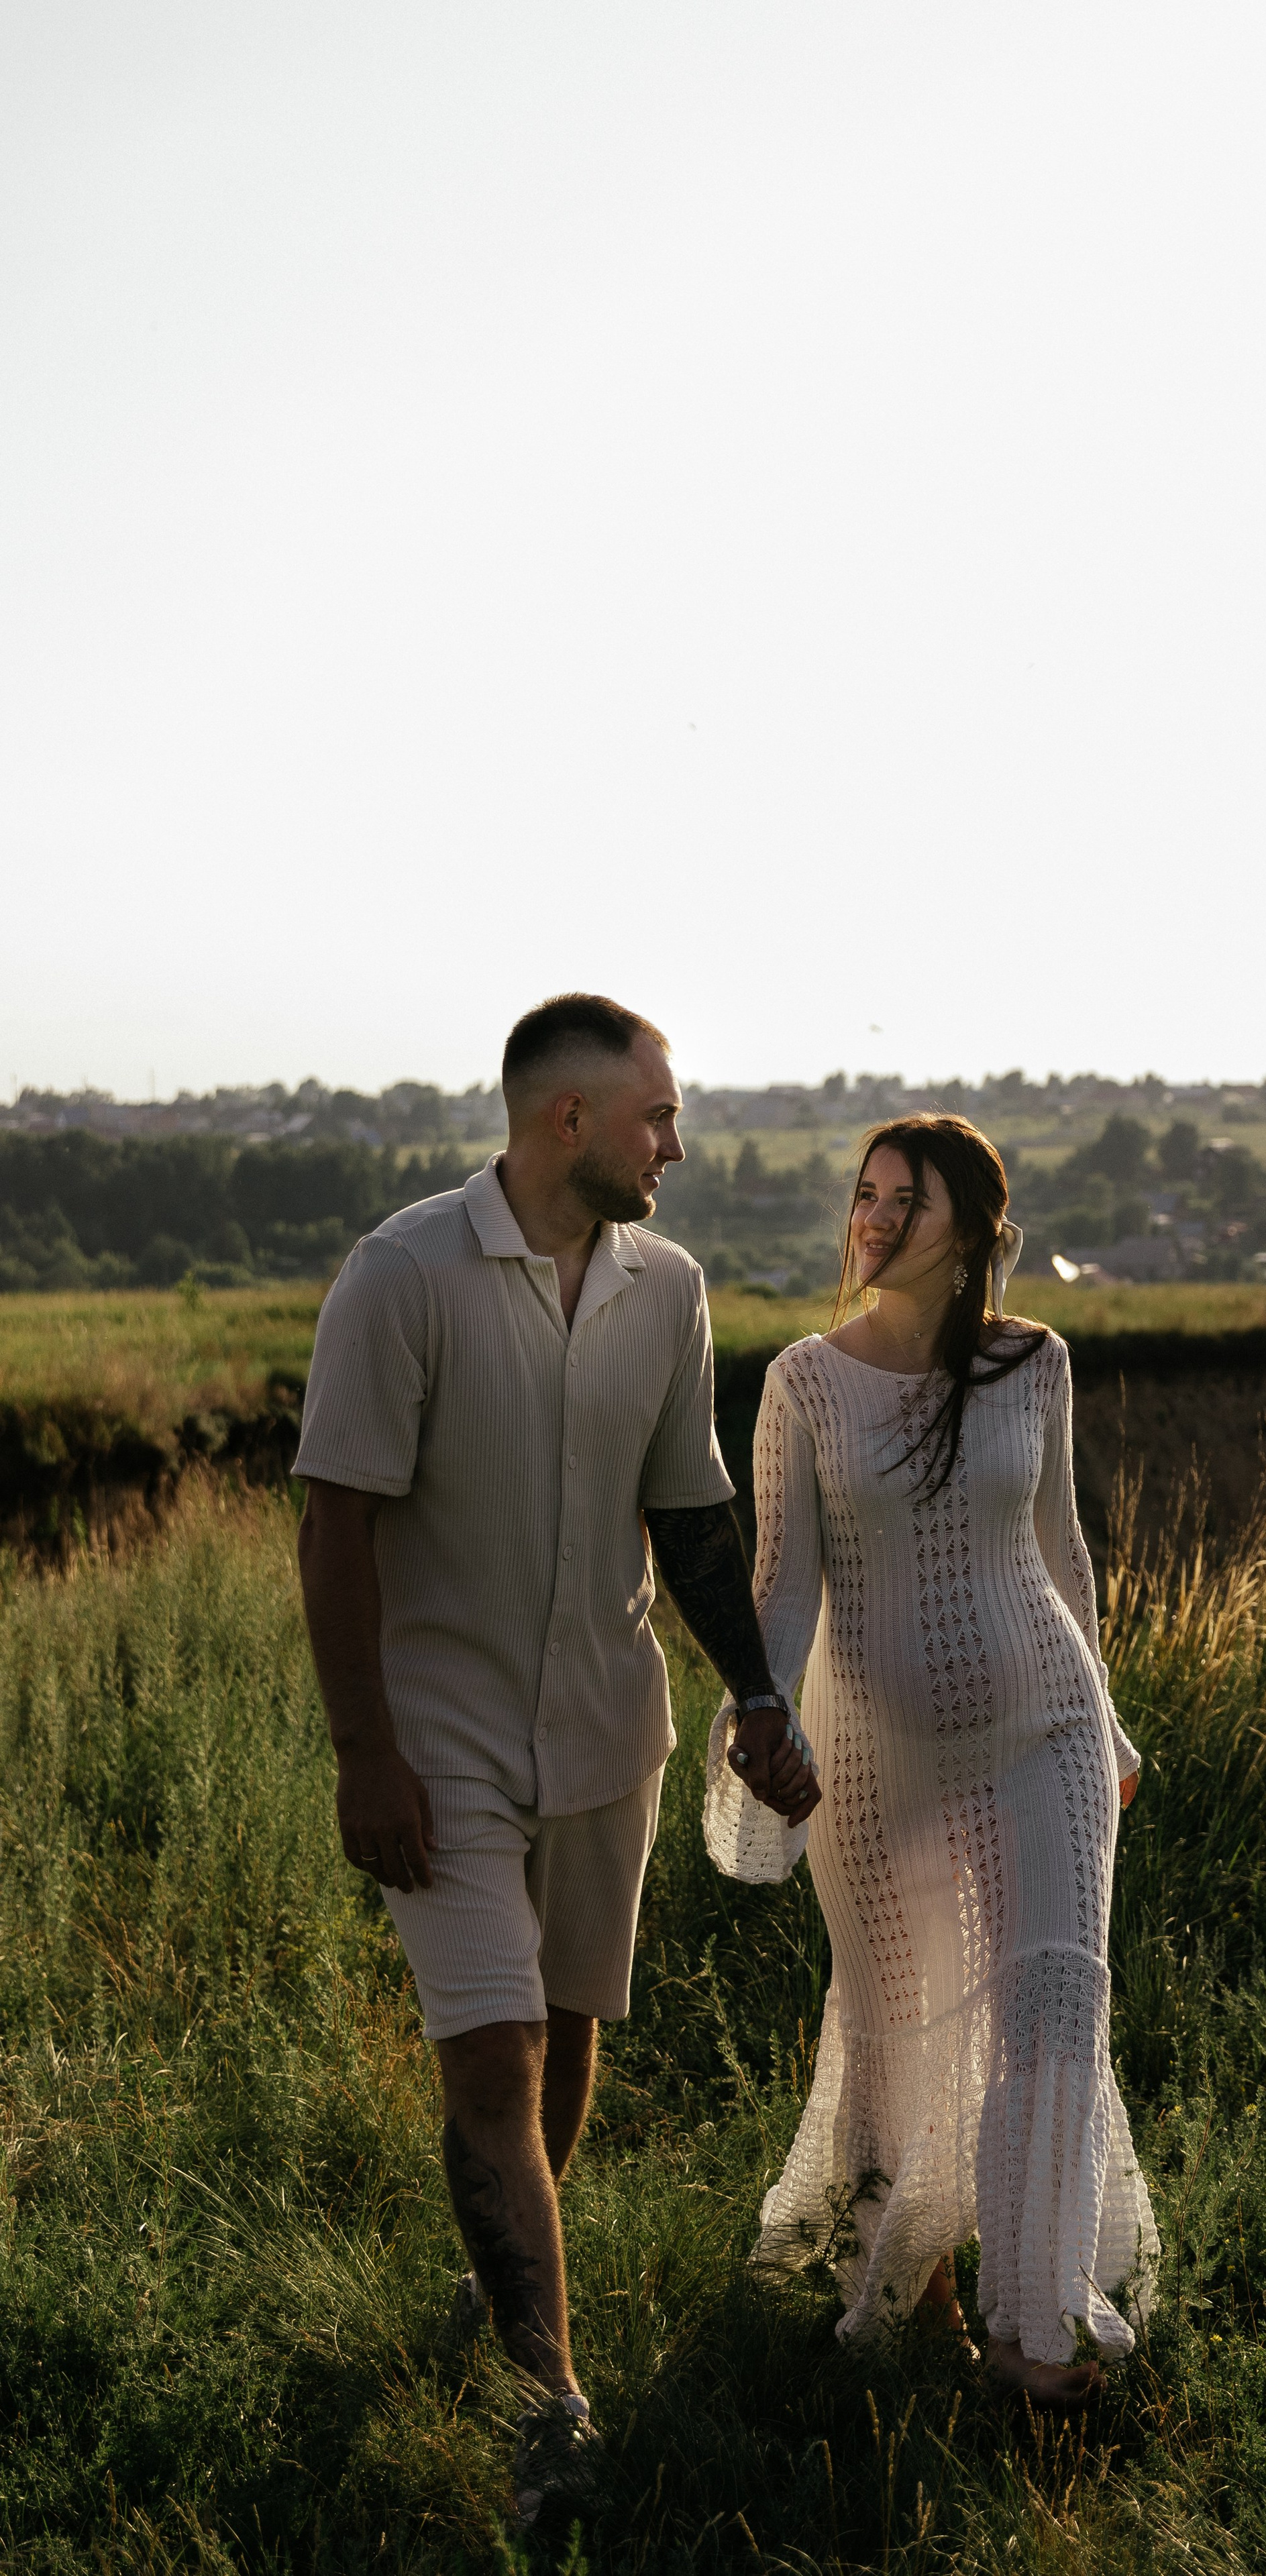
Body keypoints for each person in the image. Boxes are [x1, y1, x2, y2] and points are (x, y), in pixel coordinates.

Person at [293, 992, 816, 2528]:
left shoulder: (668, 1286)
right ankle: (548, 2407)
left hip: (610, 1727)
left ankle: (498, 2295)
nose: (676, 1144)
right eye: (656, 1117)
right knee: (495, 2048)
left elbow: (691, 1515)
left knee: (573, 2029)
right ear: (566, 1121)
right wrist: (362, 1752)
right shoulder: (402, 1276)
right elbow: (336, 1526)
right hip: (438, 1739)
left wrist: (760, 1701)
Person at [704, 1115, 1158, 2408]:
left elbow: (1061, 1557)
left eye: (910, 1199)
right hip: (879, 1761)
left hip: (1048, 1735)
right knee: (899, 2027)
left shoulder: (1037, 1364)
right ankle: (924, 2293)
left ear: (974, 1232)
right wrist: (760, 1716)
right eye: (866, 1195)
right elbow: (782, 1591)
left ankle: (1033, 2329)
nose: (877, 1218)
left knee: (1050, 2008)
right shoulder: (803, 1384)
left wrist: (1111, 1723)